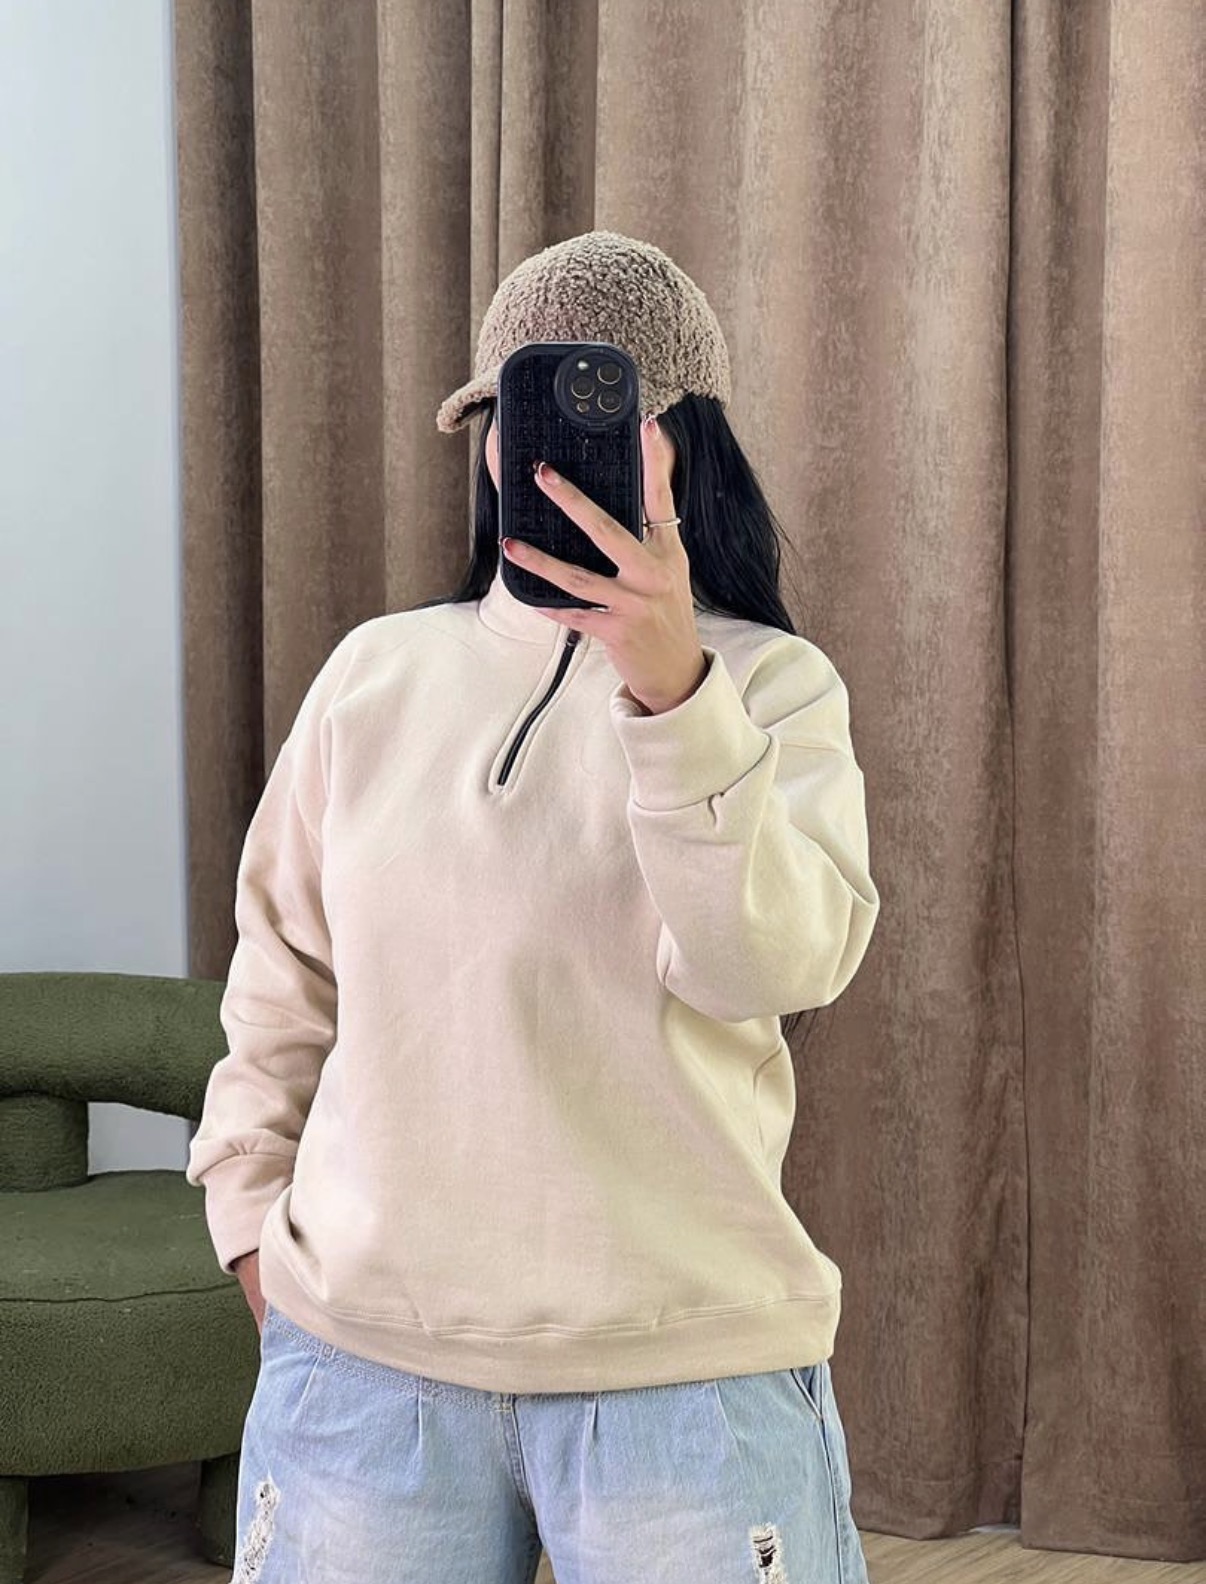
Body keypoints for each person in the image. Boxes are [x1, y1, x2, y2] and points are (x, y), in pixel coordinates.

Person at [187, 230, 880, 1584]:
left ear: (680, 447)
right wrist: (250, 1227)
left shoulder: (772, 690)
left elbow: (772, 967)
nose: (548, 456)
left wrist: (675, 696)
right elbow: (280, 979)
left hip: (686, 1374)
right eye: (515, 416)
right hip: (365, 1372)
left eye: (603, 421)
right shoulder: (375, 674)